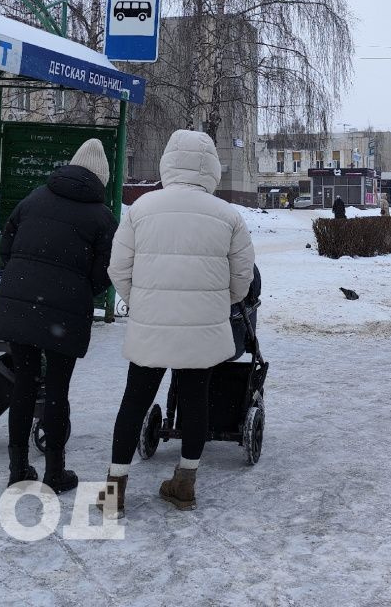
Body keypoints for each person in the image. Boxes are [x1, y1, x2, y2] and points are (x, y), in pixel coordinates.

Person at [101, 130, 256, 517]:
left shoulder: (141, 209)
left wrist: (143, 301)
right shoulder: (228, 215)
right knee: (194, 400)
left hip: (151, 323)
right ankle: (184, 484)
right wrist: (220, 304)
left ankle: (113, 490)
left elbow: (118, 268)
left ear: (168, 161)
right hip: (202, 327)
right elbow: (243, 278)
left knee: (134, 399)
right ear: (212, 168)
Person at [0, 139, 117, 493]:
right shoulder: (103, 217)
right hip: (65, 314)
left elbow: (7, 247)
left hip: (18, 304)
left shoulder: (33, 199)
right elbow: (104, 272)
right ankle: (55, 471)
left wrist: (23, 279)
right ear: (101, 179)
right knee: (58, 389)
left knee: (24, 385)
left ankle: (17, 469)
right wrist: (77, 291)